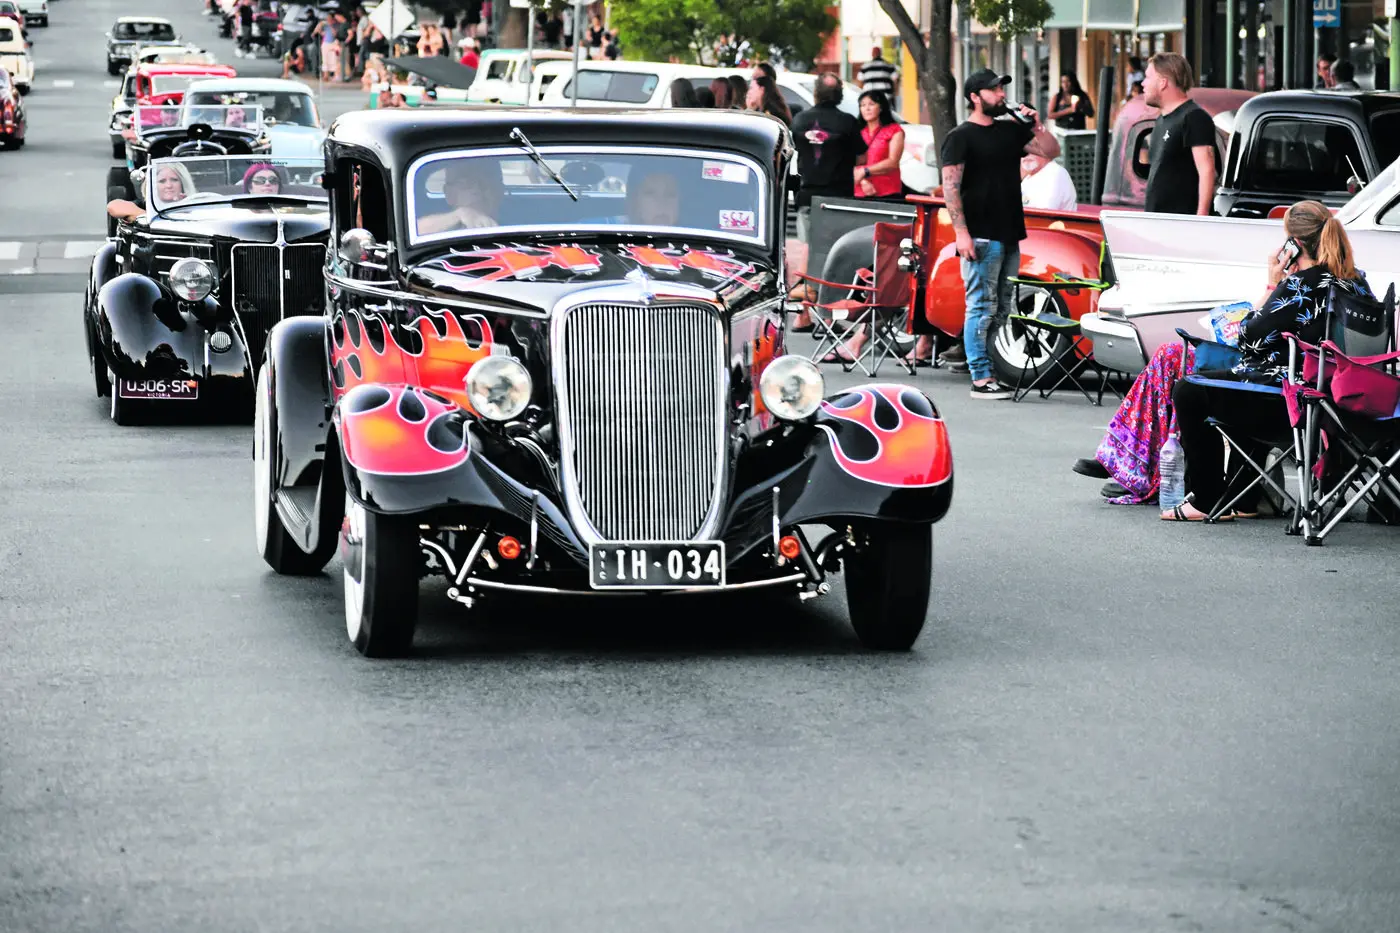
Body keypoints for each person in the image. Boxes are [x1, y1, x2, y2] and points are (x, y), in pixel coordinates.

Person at [1162, 201, 1374, 521]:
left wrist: (1273, 284)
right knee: (1250, 378)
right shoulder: (1357, 283)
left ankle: (1205, 499)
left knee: (1189, 390)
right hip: (1343, 402)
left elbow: (1248, 337)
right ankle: (1241, 499)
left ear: (1294, 244)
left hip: (1297, 405)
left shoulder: (1301, 286)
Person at [939, 68, 1062, 399]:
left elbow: (1051, 151)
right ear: (975, 98)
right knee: (980, 304)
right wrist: (961, 234)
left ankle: (985, 367)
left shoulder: (1011, 131)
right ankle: (980, 376)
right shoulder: (960, 137)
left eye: (1001, 89)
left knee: (1002, 307)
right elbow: (950, 188)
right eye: (993, 90)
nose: (1001, 94)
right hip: (979, 233)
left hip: (1009, 233)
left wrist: (1035, 124)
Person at [1142, 53, 1215, 216]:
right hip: (1157, 220)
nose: (1143, 83)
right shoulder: (1161, 119)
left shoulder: (1194, 117)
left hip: (1181, 222)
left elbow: (1207, 170)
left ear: (1163, 83)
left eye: (1147, 77)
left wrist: (1201, 217)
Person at [417, 159, 503, 235]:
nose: (477, 189)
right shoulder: (442, 229)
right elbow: (414, 231)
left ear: (500, 189)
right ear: (449, 193)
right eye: (466, 182)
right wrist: (459, 215)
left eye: (486, 181)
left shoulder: (515, 221)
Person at [853, 90, 903, 199]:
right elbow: (849, 161)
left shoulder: (894, 130)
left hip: (888, 191)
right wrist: (863, 181)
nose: (867, 109)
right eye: (863, 105)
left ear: (881, 108)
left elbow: (893, 162)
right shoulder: (857, 131)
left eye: (871, 104)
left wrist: (865, 171)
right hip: (860, 191)